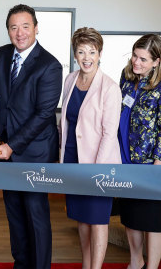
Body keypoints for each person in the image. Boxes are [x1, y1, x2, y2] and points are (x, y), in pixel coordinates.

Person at [0, 4, 62, 269]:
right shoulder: (4, 54)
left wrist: (12, 146)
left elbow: (43, 115)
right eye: (13, 27)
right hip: (5, 149)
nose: (20, 32)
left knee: (35, 215)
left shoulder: (50, 65)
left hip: (34, 153)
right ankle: (21, 264)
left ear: (36, 28)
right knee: (14, 214)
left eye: (25, 26)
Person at [59, 27, 121, 269]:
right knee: (81, 220)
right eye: (81, 51)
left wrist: (96, 170)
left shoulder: (109, 87)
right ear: (75, 54)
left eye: (92, 52)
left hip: (98, 164)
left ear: (100, 53)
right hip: (73, 159)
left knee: (97, 220)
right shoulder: (70, 79)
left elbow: (109, 133)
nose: (87, 57)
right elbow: (65, 123)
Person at [118, 34, 161, 269]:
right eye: (135, 55)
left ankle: (152, 267)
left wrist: (157, 169)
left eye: (143, 59)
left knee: (153, 221)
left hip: (152, 166)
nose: (136, 62)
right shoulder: (127, 78)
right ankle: (135, 262)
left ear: (157, 61)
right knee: (131, 219)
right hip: (127, 161)